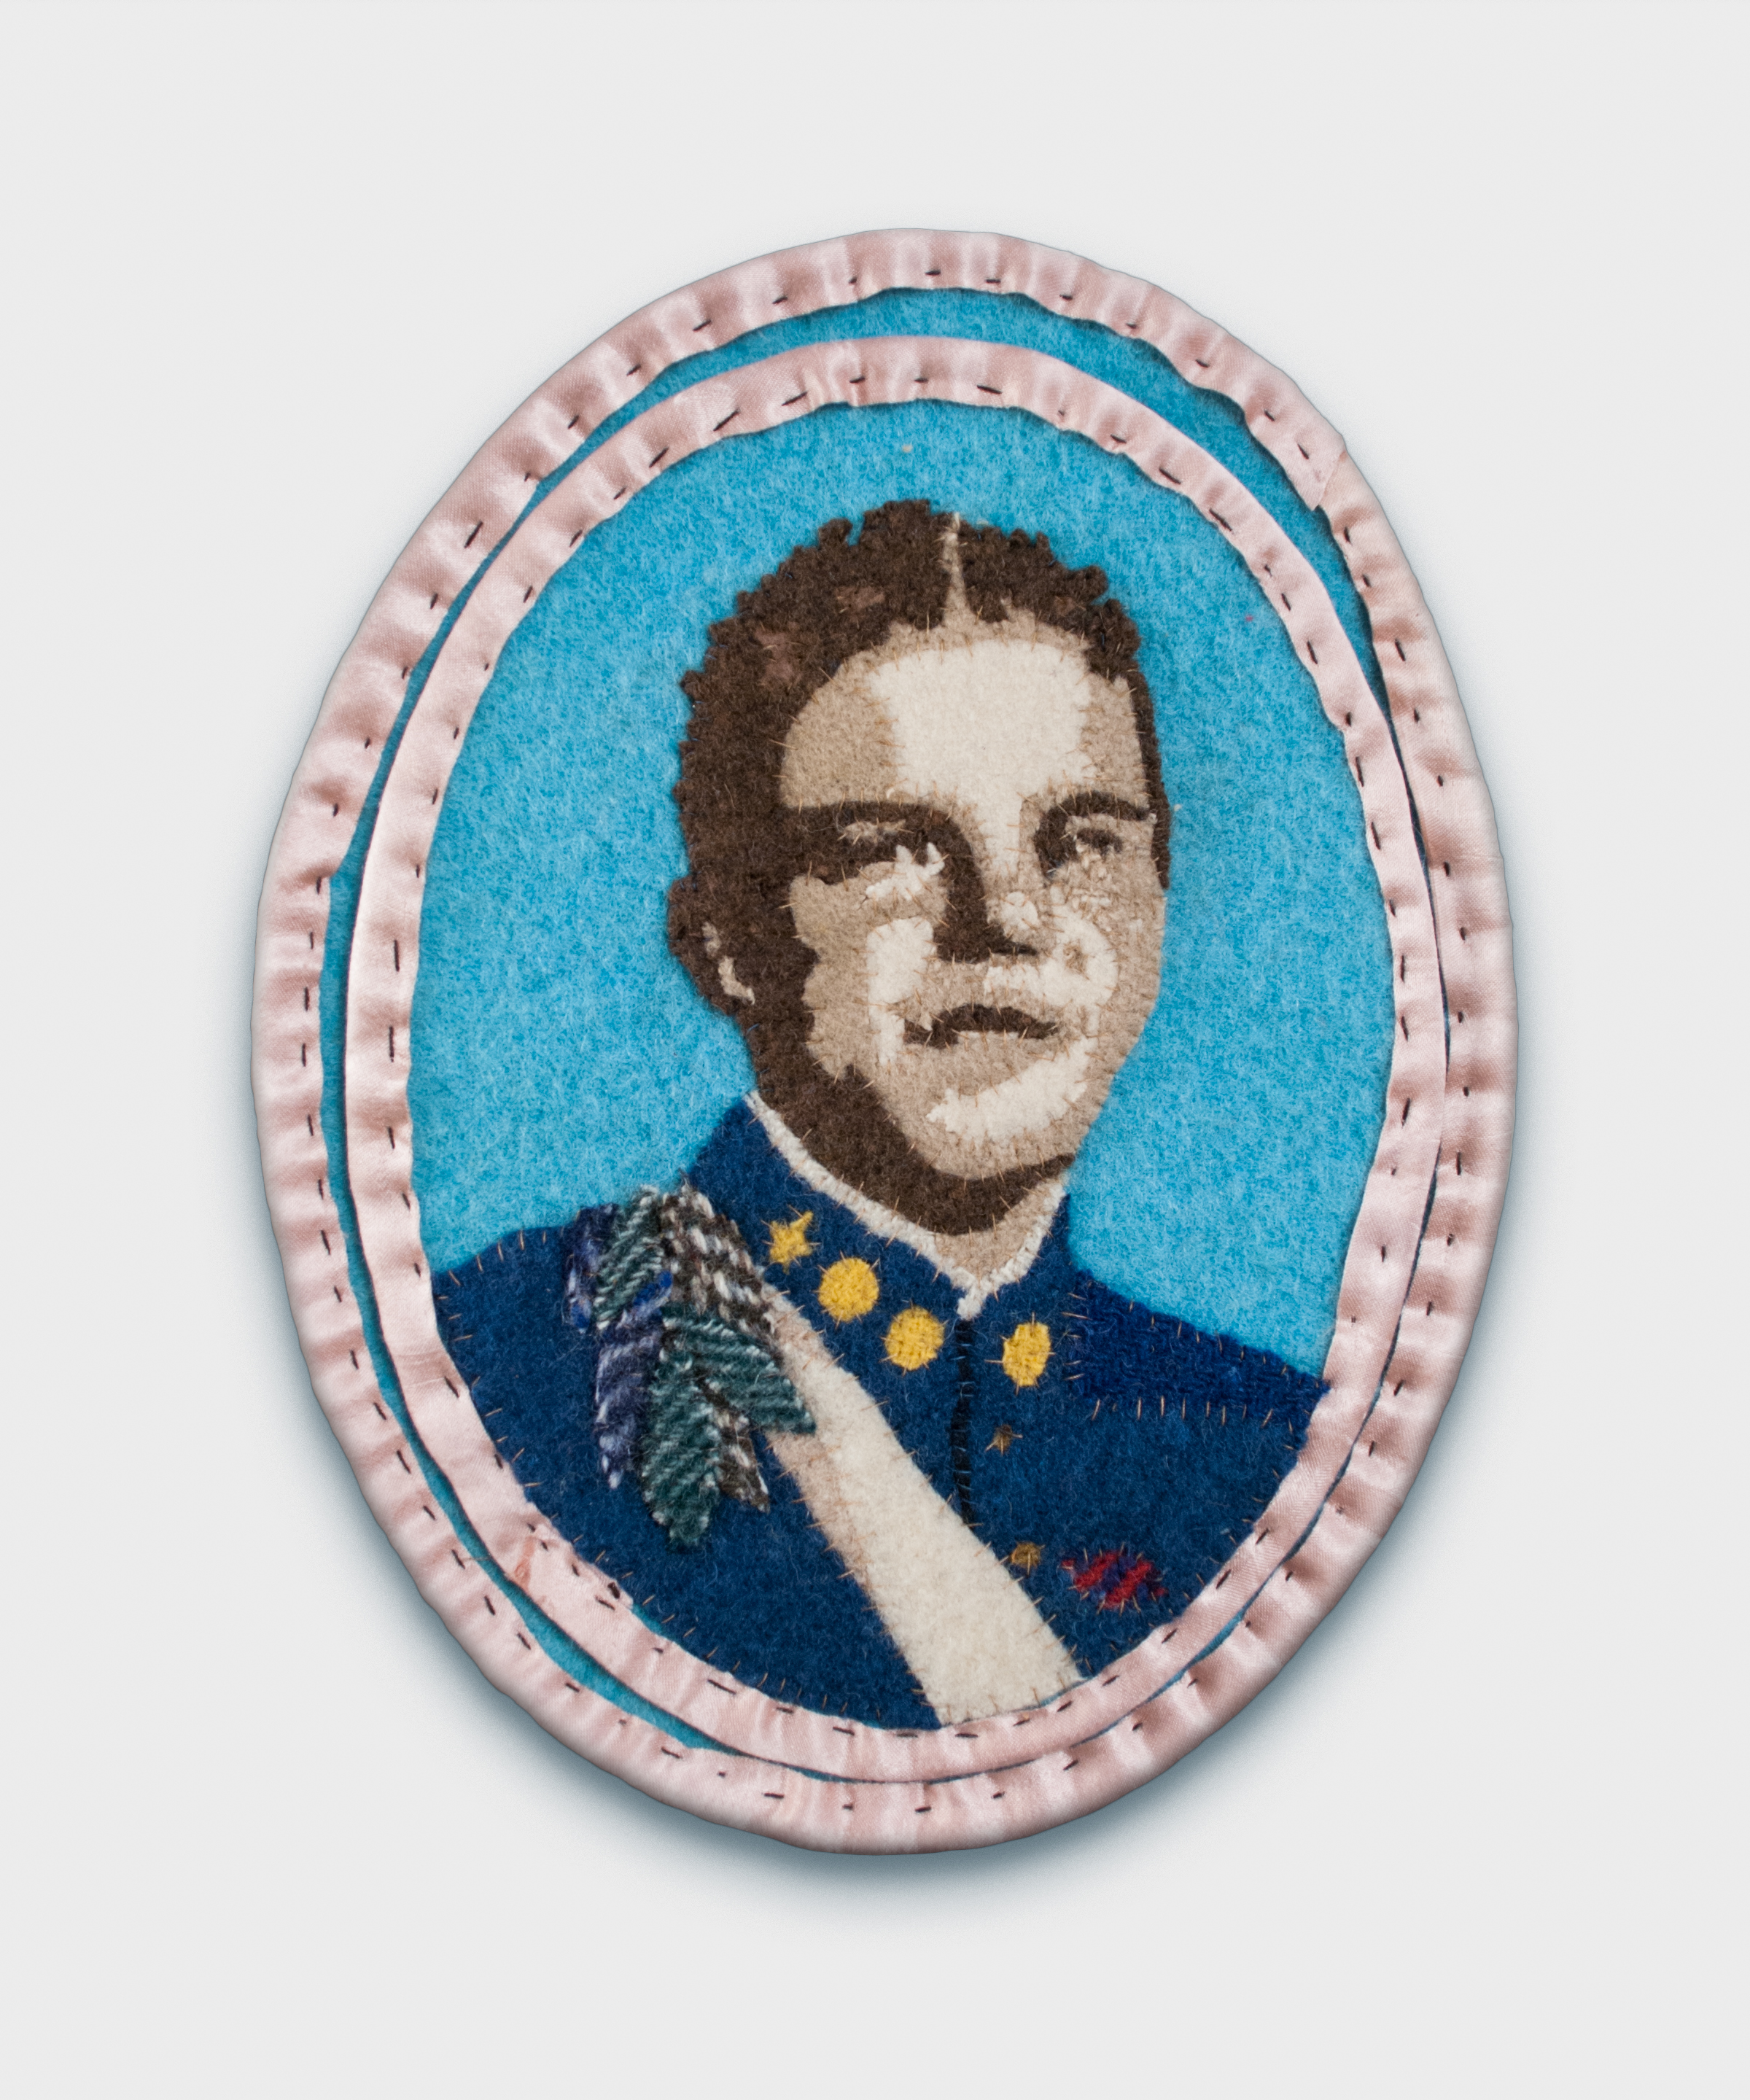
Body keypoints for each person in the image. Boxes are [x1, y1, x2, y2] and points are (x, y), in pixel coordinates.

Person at [435, 501, 1323, 1730]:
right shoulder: (503, 1365)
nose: (1007, 920)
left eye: (1083, 843)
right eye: (894, 849)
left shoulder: (1261, 1449)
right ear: (724, 943)